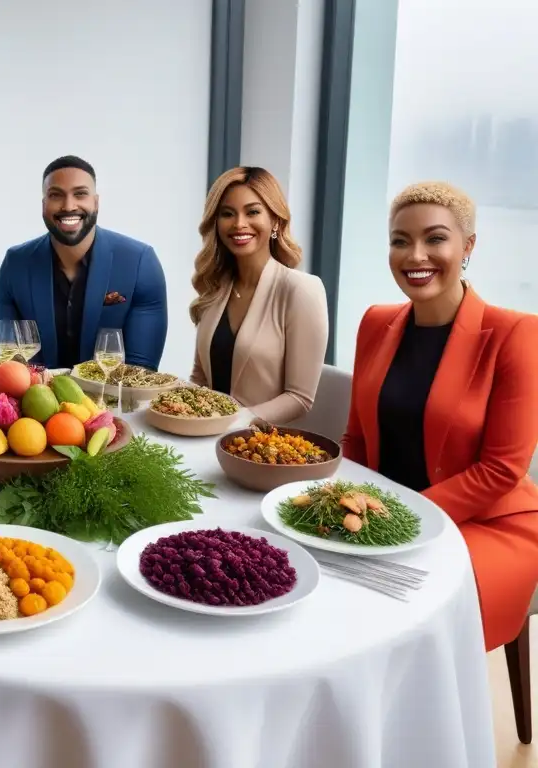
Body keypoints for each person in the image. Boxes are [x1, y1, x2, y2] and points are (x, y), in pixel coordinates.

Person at [343, 181, 538, 652]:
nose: (415, 255)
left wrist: (402, 518)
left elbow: (501, 470)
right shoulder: (375, 321)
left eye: (435, 238)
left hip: (485, 522)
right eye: (400, 240)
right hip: (379, 509)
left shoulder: (516, 333)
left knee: (389, 613)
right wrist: (348, 498)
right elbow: (356, 439)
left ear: (468, 245)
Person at [0, 155, 168, 370]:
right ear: (43, 205)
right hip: (37, 400)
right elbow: (13, 364)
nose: (69, 206)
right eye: (56, 195)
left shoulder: (140, 262)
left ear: (96, 203)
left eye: (80, 194)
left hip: (113, 400)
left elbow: (141, 371)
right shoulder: (15, 264)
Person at [190, 167, 328, 424]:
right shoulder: (215, 288)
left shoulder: (301, 290)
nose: (239, 223)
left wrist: (232, 424)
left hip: (261, 447)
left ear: (275, 220)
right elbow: (200, 380)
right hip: (206, 437)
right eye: (227, 214)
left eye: (252, 212)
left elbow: (299, 397)